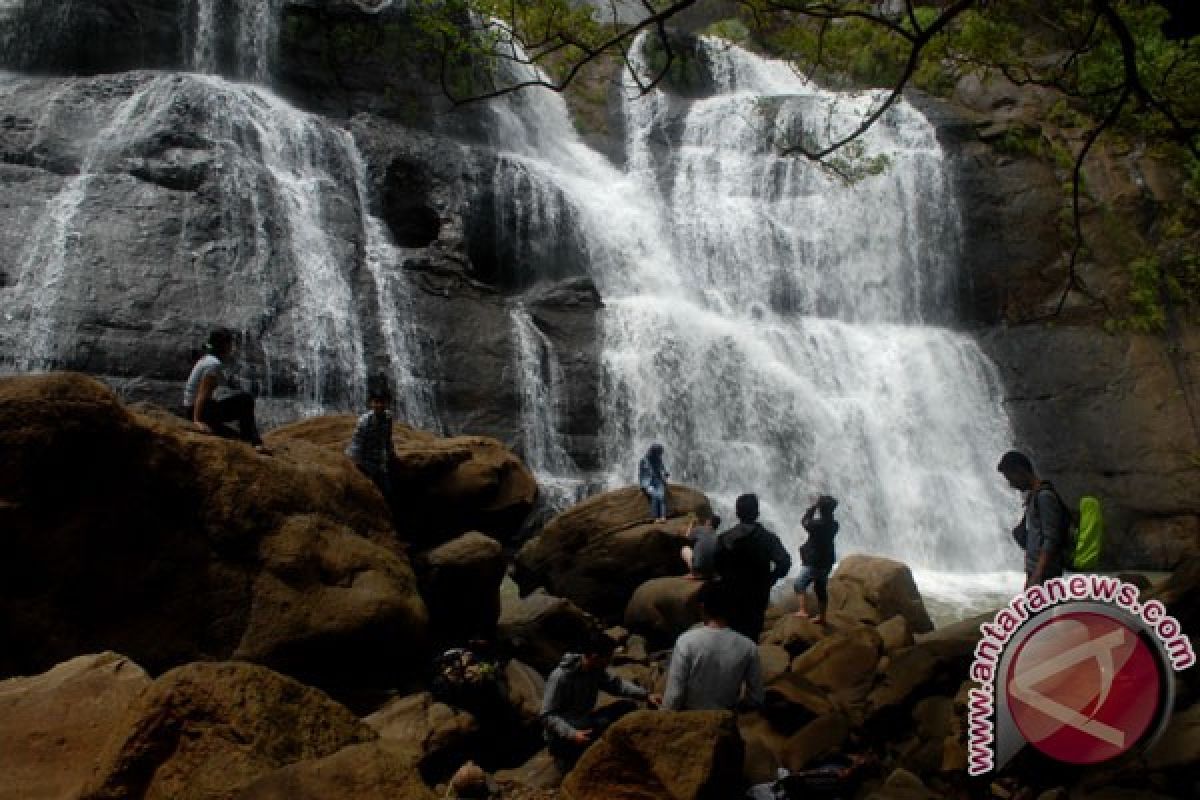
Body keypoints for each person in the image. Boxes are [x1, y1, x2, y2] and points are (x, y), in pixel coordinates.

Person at [541, 631, 661, 771]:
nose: (610, 661)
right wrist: (572, 734)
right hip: (566, 733)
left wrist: (646, 695)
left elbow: (617, 686)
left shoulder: (595, 669)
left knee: (626, 707)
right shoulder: (560, 677)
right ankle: (566, 759)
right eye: (608, 657)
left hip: (585, 721)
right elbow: (547, 715)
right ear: (595, 657)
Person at [663, 580, 764, 711]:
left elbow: (674, 696)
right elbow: (756, 698)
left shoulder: (686, 641)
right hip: (725, 721)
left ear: (702, 607)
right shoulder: (748, 646)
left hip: (690, 719)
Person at [712, 493, 792, 641]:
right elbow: (785, 562)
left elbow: (716, 564)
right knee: (752, 634)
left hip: (731, 593)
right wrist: (771, 578)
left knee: (732, 633)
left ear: (737, 513)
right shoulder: (768, 538)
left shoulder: (724, 538)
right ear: (757, 513)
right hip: (758, 594)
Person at [182, 328, 269, 454]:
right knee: (246, 400)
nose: (232, 347)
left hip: (199, 408)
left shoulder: (207, 358)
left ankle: (250, 439)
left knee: (239, 413)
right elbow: (202, 393)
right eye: (231, 343)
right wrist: (197, 421)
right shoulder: (212, 364)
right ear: (225, 345)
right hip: (197, 410)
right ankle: (255, 443)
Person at [997, 450, 1068, 588]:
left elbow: (1051, 538)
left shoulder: (1044, 496)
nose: (1011, 484)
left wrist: (1038, 573)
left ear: (1020, 471)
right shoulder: (1034, 496)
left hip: (1045, 574)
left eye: (1010, 478)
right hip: (1037, 572)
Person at [793, 495, 839, 623]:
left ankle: (802, 610)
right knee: (820, 588)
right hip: (827, 561)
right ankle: (822, 617)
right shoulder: (834, 525)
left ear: (821, 509)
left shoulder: (817, 525)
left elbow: (805, 522)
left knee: (799, 584)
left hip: (814, 561)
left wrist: (812, 508)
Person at [346, 377, 396, 495]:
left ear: (387, 403)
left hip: (380, 463)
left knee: (388, 492)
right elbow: (356, 443)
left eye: (382, 402)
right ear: (371, 403)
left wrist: (391, 454)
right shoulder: (364, 421)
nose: (379, 405)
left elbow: (387, 439)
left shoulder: (388, 418)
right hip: (364, 463)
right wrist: (353, 465)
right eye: (376, 402)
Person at [681, 511, 721, 580]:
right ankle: (712, 574)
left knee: (685, 549)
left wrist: (691, 524)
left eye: (707, 520)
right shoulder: (717, 537)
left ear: (709, 522)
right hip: (712, 571)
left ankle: (695, 573)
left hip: (699, 569)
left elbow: (687, 537)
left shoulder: (701, 529)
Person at [638, 443, 670, 522]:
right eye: (658, 453)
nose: (659, 455)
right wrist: (644, 485)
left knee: (661, 496)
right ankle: (655, 517)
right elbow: (641, 474)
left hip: (658, 481)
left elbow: (662, 469)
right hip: (648, 482)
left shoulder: (658, 459)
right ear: (653, 452)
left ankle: (663, 516)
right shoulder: (643, 460)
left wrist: (665, 474)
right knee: (655, 496)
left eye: (660, 453)